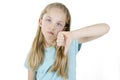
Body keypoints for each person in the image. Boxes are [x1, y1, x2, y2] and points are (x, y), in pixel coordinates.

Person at [24, 2, 110, 80]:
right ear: (40, 22)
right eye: (49, 20)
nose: (52, 27)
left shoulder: (70, 43)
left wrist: (72, 35)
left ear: (64, 28)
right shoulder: (34, 53)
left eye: (58, 24)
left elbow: (105, 28)